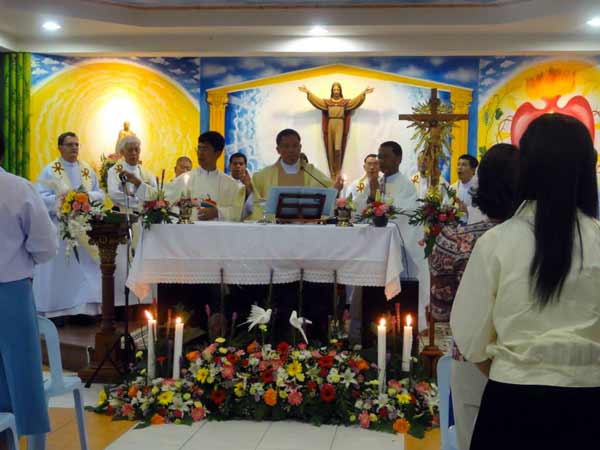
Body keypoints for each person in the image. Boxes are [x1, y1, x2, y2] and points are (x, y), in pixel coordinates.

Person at [451, 113, 600, 450]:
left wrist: (518, 369)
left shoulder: (497, 241)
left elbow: (469, 334)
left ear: (526, 168)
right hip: (589, 403)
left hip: (512, 402)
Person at [429, 143, 519, 450]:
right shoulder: (544, 243)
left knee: (472, 438)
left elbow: (441, 313)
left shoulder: (457, 240)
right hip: (527, 362)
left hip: (471, 358)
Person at [0, 131, 58, 444]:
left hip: (11, 287)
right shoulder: (17, 187)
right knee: (22, 374)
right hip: (10, 290)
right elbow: (45, 245)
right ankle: (32, 442)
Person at [33, 132, 105, 318]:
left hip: (85, 229)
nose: (74, 148)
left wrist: (85, 198)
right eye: (70, 144)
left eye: (76, 144)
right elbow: (40, 197)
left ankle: (85, 311)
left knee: (86, 269)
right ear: (60, 147)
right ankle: (57, 311)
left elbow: (100, 194)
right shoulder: (50, 170)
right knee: (61, 270)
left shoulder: (87, 171)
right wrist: (64, 201)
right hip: (61, 228)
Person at [250, 128, 337, 220]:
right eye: (286, 146)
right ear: (278, 149)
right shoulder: (263, 176)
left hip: (306, 225)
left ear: (300, 147)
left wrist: (337, 188)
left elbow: (329, 192)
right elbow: (254, 200)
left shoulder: (311, 172)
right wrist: (248, 187)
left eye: (295, 146)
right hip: (275, 227)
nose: (291, 150)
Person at [299, 82, 374, 177]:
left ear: (340, 91)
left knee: (338, 148)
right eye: (334, 89)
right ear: (332, 91)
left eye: (338, 89)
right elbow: (317, 101)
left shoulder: (344, 103)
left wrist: (363, 93)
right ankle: (332, 172)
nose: (336, 91)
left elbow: (354, 102)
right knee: (330, 148)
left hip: (340, 123)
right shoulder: (328, 102)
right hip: (330, 123)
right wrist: (308, 92)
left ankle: (338, 170)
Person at [166, 131, 244, 222]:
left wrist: (217, 212)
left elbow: (238, 212)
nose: (200, 153)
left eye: (205, 149)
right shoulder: (185, 179)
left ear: (218, 153)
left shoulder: (230, 184)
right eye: (199, 148)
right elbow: (164, 199)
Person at [107, 136, 157, 212]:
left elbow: (155, 193)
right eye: (130, 150)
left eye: (136, 149)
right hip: (122, 214)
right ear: (122, 152)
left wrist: (138, 183)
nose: (134, 153)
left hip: (144, 214)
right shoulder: (114, 171)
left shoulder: (146, 173)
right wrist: (139, 203)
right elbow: (114, 194)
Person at [229, 152, 254, 219]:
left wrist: (248, 185)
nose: (238, 166)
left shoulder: (252, 183)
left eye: (241, 164)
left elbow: (253, 205)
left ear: (246, 166)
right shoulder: (224, 182)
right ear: (230, 166)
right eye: (235, 164)